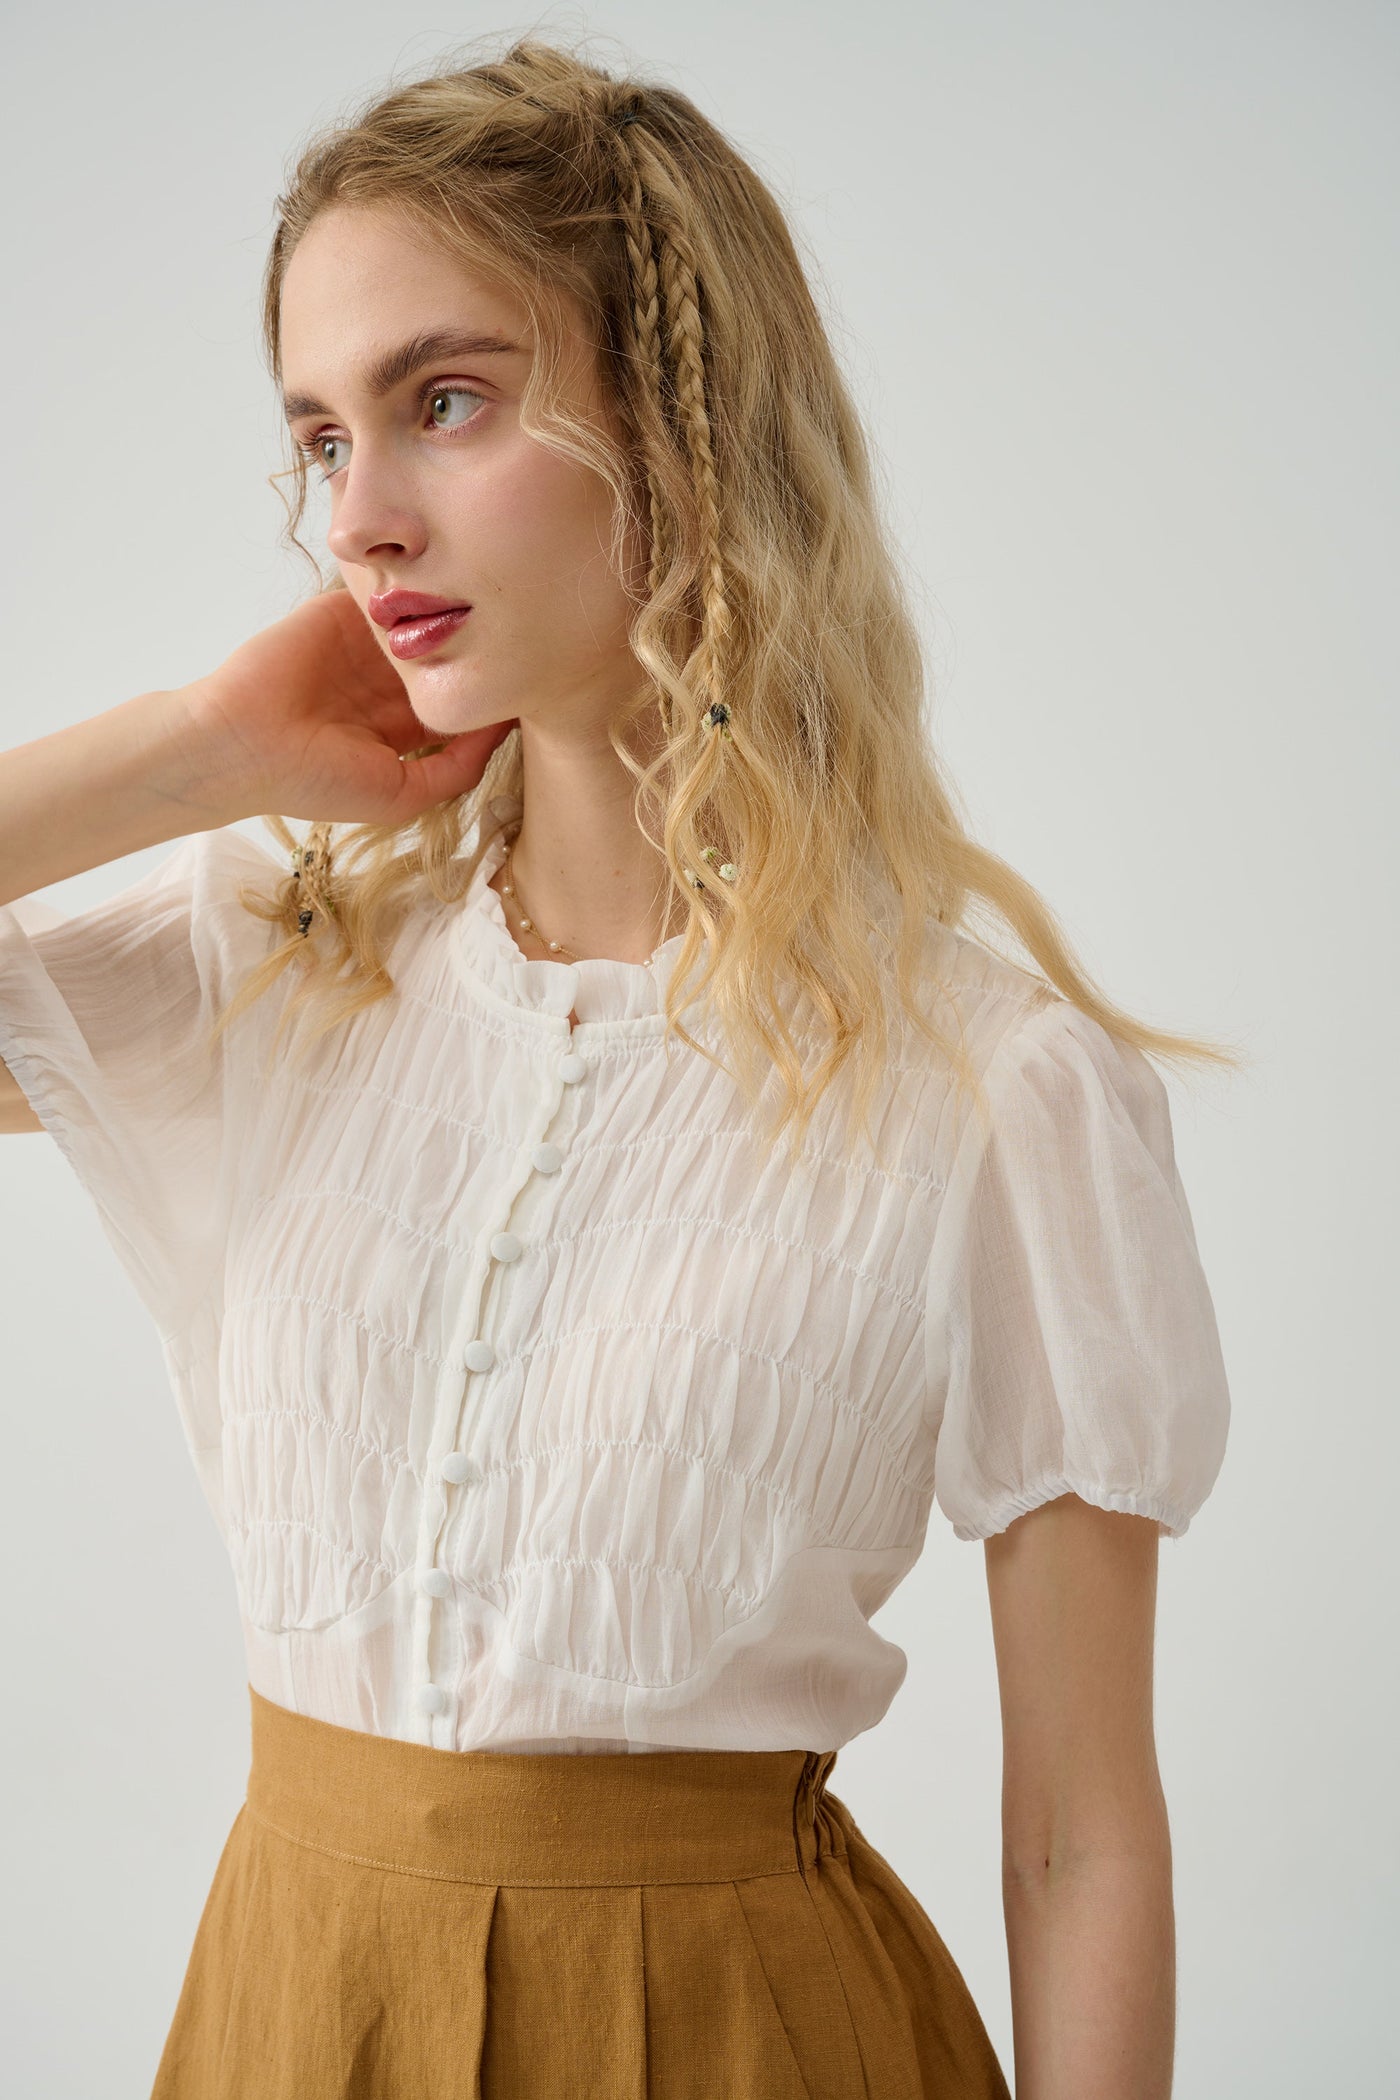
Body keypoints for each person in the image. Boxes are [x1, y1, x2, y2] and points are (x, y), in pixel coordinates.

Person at [0, 33, 1236, 2099]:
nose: (360, 520)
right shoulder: (276, 959)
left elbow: (1080, 1836)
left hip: (746, 2038)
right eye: (321, 436)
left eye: (445, 401)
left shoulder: (991, 1087)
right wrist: (202, 747)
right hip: (295, 2020)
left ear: (677, 420)